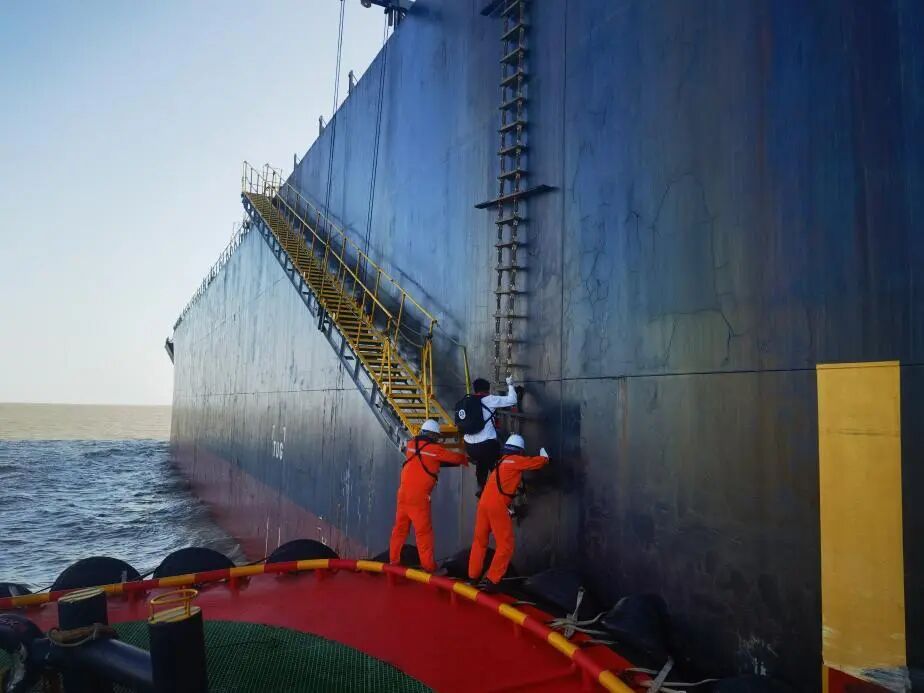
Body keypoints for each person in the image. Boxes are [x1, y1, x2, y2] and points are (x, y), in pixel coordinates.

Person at [468, 433, 549, 590]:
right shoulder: (515, 460)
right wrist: (545, 459)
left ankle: (473, 576)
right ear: (520, 451)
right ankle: (492, 580)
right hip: (497, 505)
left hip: (484, 504)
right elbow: (533, 463)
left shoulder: (500, 462)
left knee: (480, 541)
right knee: (505, 545)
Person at [390, 419, 468, 573]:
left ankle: (393, 563)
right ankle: (429, 568)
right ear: (433, 435)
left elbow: (421, 459)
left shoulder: (411, 445)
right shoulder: (434, 450)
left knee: (399, 531)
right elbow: (454, 458)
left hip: (403, 495)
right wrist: (466, 459)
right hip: (419, 499)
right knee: (423, 534)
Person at [455, 375, 519, 494]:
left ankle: (481, 485)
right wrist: (510, 385)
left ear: (475, 390)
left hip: (470, 448)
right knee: (496, 456)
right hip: (487, 447)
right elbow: (512, 400)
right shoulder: (489, 399)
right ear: (487, 389)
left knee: (482, 460)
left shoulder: (466, 401)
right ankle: (500, 484)